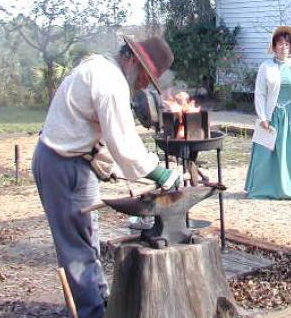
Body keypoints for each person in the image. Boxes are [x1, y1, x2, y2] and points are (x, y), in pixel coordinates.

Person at [32, 36, 183, 318]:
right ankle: (90, 313)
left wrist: (110, 167)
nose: (145, 85)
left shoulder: (100, 67)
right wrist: (161, 173)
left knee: (86, 239)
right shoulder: (110, 82)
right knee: (77, 248)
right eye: (145, 77)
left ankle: (97, 303)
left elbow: (89, 129)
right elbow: (124, 143)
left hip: (66, 160)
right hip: (63, 166)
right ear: (133, 61)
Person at [244, 26, 291, 200]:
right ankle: (266, 188)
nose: (283, 47)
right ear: (274, 46)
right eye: (279, 44)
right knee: (267, 155)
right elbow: (260, 93)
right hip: (273, 116)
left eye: (287, 44)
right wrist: (263, 117)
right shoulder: (266, 66)